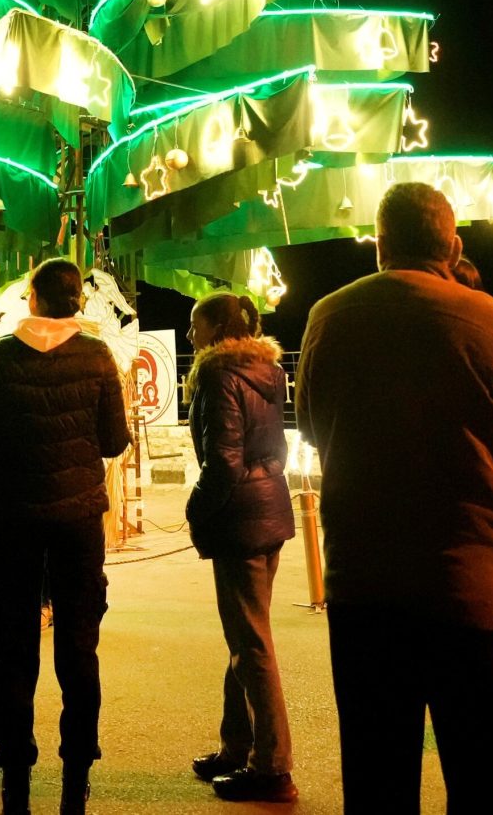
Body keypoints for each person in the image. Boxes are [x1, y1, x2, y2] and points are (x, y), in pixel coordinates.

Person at [295, 183, 493, 814]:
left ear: (380, 245)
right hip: (470, 593)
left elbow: (313, 427)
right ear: (453, 247)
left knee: (376, 778)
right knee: (482, 780)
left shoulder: (326, 316)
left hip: (362, 587)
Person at [0, 260, 129, 815]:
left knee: (14, 653)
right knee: (79, 648)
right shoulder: (98, 355)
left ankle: (15, 784)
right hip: (79, 522)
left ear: (32, 298)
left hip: (13, 521)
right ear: (77, 300)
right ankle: (76, 777)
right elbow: (112, 440)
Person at [183, 292, 295, 804]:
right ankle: (238, 746)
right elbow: (278, 449)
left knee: (251, 643)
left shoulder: (216, 374)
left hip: (239, 518)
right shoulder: (267, 370)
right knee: (245, 636)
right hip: (269, 507)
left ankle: (271, 765)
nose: (190, 336)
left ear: (217, 330)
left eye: (196, 326)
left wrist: (196, 510)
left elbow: (223, 460)